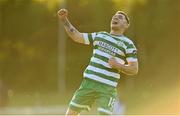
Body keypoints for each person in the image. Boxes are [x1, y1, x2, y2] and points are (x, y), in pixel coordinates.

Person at [57, 9, 138, 115]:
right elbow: (76, 36)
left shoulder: (128, 44)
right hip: (88, 84)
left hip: (107, 89)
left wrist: (118, 65)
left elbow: (134, 69)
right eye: (114, 16)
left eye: (120, 17)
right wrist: (64, 20)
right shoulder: (100, 35)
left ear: (126, 25)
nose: (115, 17)